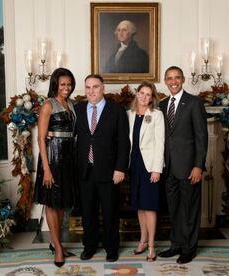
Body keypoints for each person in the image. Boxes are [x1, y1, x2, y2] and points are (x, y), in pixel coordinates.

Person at [75, 74, 130, 262]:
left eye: (95, 87)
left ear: (103, 88)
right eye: (88, 87)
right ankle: (89, 246)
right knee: (88, 212)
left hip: (109, 170)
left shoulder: (117, 110)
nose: (91, 91)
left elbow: (124, 142)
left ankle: (111, 247)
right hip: (85, 169)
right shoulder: (78, 109)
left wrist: (120, 168)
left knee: (110, 211)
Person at [158, 66, 208, 264]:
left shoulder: (194, 103)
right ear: (164, 80)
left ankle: (189, 248)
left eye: (177, 78)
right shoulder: (161, 105)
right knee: (174, 209)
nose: (173, 81)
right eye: (169, 78)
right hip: (168, 167)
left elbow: (201, 138)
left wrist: (198, 166)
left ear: (183, 79)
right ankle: (176, 244)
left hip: (189, 167)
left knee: (189, 208)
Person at [33, 68, 77, 267]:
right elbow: (41, 139)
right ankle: (58, 248)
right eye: (62, 85)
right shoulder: (48, 105)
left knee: (62, 203)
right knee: (52, 203)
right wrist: (46, 169)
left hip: (68, 159)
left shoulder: (73, 105)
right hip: (51, 158)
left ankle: (55, 241)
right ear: (55, 85)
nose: (66, 88)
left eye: (69, 84)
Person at [127, 81, 164, 262]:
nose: (144, 97)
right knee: (139, 206)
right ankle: (142, 240)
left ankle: (151, 246)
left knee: (149, 206)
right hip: (133, 165)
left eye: (148, 94)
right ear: (137, 94)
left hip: (149, 167)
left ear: (152, 98)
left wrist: (157, 169)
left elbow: (160, 144)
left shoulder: (156, 115)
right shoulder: (129, 115)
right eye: (141, 93)